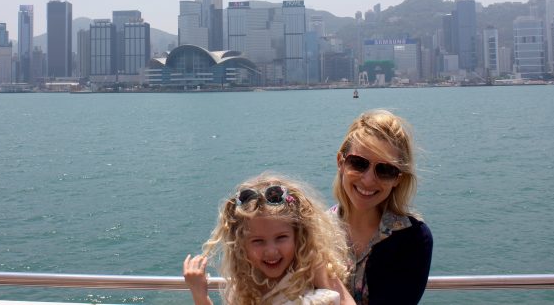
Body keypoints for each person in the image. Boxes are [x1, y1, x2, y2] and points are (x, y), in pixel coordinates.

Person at [183, 173, 356, 305]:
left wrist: (324, 284)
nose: (271, 251)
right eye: (258, 241)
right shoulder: (243, 285)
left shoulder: (310, 268)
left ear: (299, 235)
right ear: (241, 244)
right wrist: (200, 294)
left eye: (281, 237)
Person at [333, 110, 433, 304]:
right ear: (341, 162)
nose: (369, 180)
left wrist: (325, 276)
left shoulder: (413, 238)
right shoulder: (314, 230)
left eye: (385, 170)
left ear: (398, 178)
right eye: (358, 163)